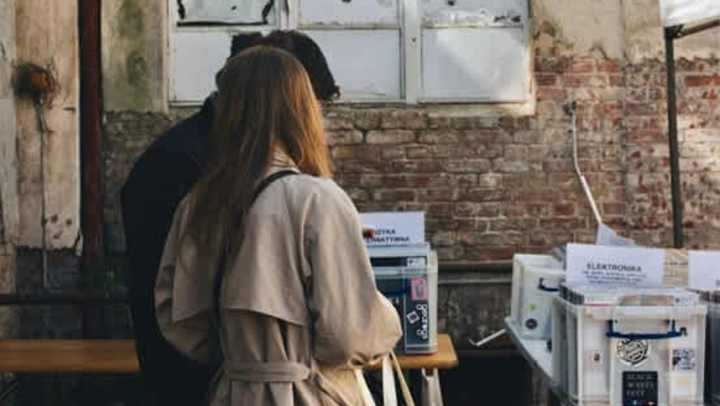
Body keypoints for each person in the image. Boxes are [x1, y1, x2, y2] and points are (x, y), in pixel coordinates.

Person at [154, 46, 402, 405]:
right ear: (300, 110)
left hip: (233, 392)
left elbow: (177, 320)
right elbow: (352, 336)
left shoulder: (198, 204)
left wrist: (246, 356)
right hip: (309, 392)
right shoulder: (317, 199)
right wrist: (385, 319)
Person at [121, 31, 340, 406]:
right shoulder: (182, 166)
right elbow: (175, 304)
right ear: (282, 98)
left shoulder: (223, 164)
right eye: (310, 101)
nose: (316, 119)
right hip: (200, 386)